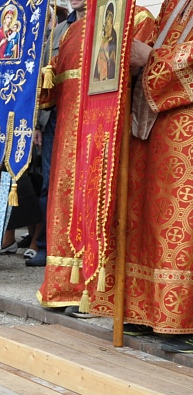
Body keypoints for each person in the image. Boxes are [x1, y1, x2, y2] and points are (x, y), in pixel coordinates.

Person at [91, 0, 187, 335]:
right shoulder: (174, 4)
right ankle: (146, 309)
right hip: (153, 122)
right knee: (146, 218)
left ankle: (181, 319)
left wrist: (151, 58)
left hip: (185, 127)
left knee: (179, 218)